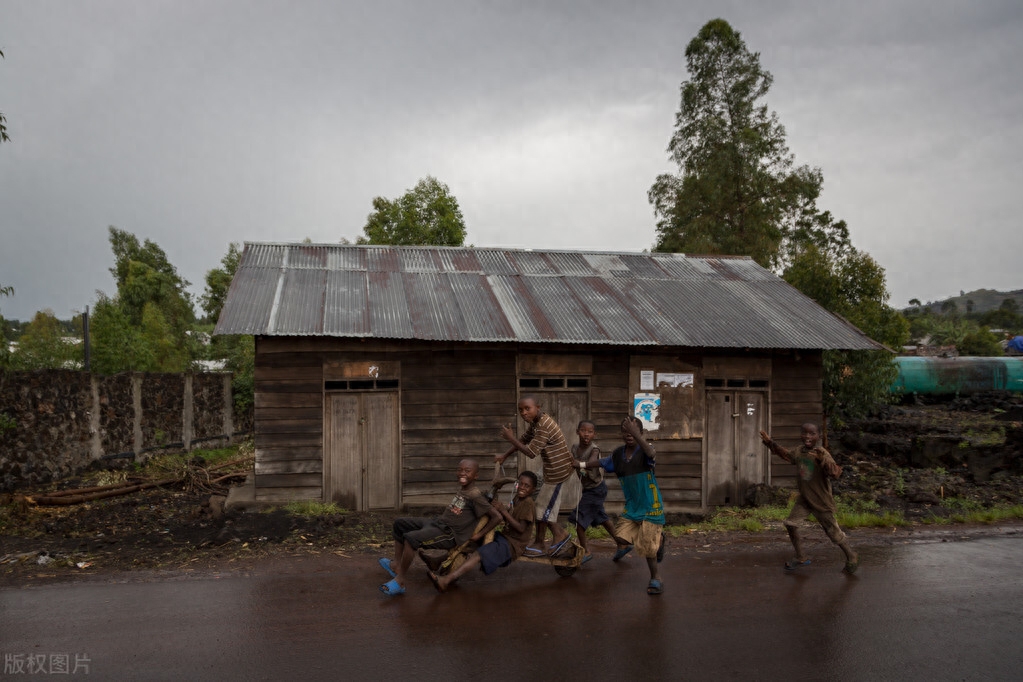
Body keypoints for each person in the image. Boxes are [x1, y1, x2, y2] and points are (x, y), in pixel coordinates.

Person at [378, 458, 499, 595]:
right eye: (460, 470)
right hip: (438, 523)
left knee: (411, 539)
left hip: (450, 533)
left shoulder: (476, 496)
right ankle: (396, 565)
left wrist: (479, 535)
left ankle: (400, 581)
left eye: (467, 471)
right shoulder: (465, 490)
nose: (462, 473)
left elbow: (497, 517)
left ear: (476, 476)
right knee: (400, 524)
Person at [759, 424, 859, 574]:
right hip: (805, 499)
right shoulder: (799, 451)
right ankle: (801, 557)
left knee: (833, 533)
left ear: (818, 436)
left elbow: (836, 473)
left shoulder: (822, 453)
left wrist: (822, 460)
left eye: (812, 434)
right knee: (791, 524)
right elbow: (786, 454)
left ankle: (852, 556)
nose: (807, 436)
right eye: (805, 433)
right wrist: (769, 442)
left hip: (820, 501)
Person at [428, 471, 538, 592]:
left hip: (513, 545)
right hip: (504, 537)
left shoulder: (528, 503)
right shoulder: (517, 498)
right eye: (520, 484)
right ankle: (438, 561)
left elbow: (521, 528)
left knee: (480, 553)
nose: (522, 487)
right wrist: (500, 508)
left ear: (533, 490)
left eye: (526, 486)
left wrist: (503, 512)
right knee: (472, 540)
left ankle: (445, 581)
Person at [495, 396, 574, 555]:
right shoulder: (536, 422)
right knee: (537, 503)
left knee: (542, 509)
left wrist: (510, 438)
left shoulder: (544, 425)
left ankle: (560, 535)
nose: (524, 413)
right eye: (521, 410)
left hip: (558, 471)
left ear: (538, 407)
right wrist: (505, 455)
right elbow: (524, 439)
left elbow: (530, 452)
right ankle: (539, 541)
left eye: (527, 409)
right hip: (548, 469)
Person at [598, 417, 667, 595]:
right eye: (626, 431)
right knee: (620, 538)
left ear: (641, 433)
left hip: (651, 505)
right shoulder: (618, 454)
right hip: (632, 507)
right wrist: (580, 464)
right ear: (621, 434)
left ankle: (655, 578)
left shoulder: (645, 451)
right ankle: (658, 538)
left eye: (634, 431)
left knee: (646, 546)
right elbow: (602, 463)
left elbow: (651, 454)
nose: (629, 434)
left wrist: (636, 435)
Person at [567, 420, 627, 562]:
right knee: (602, 518)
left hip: (596, 489)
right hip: (588, 489)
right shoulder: (575, 448)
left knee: (578, 520)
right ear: (577, 431)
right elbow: (571, 462)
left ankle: (586, 552)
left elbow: (591, 462)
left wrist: (579, 464)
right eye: (583, 431)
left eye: (590, 432)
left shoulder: (594, 450)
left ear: (594, 434)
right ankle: (621, 544)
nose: (586, 434)